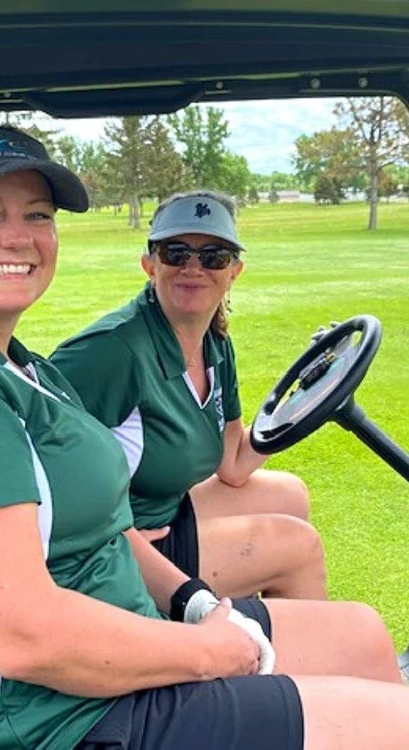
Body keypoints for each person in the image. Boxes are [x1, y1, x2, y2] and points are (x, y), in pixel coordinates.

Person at [0, 120, 409, 750]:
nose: (17, 237)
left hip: (116, 645)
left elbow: (110, 530)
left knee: (359, 635)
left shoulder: (19, 368)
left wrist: (192, 600)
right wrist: (205, 652)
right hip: (50, 722)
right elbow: (19, 636)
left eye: (38, 215)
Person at [51, 191, 326, 600]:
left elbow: (232, 465)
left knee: (290, 494)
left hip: (166, 508)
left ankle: (240, 640)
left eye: (213, 255)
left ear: (235, 271)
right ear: (150, 265)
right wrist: (107, 535)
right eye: (176, 253)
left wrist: (308, 400)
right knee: (297, 547)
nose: (193, 268)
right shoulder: (109, 352)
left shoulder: (215, 342)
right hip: (118, 545)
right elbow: (38, 461)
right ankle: (293, 657)